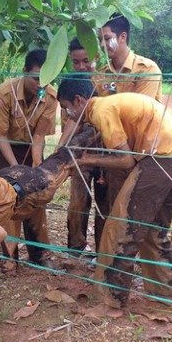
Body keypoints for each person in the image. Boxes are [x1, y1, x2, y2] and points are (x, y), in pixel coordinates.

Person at [57, 78, 172, 309]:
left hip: (158, 158)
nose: (68, 115)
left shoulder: (101, 110)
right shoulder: (107, 105)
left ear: (79, 101)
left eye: (67, 108)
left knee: (121, 226)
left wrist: (84, 159)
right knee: (153, 227)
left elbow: (126, 160)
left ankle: (112, 300)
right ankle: (164, 292)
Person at [0, 49, 59, 268]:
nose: (41, 84)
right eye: (36, 77)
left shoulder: (50, 96)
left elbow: (39, 135)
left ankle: (38, 254)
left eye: (46, 79)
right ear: (25, 72)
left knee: (37, 198)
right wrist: (15, 167)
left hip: (33, 147)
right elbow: (0, 134)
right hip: (8, 147)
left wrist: (36, 166)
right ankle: (10, 256)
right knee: (9, 199)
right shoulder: (5, 92)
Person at [64, 38, 110, 260]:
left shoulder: (108, 81)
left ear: (96, 56)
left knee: (105, 202)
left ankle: (103, 253)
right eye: (76, 62)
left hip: (109, 152)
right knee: (78, 201)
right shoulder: (71, 83)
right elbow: (71, 121)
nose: (81, 66)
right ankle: (75, 249)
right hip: (80, 152)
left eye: (86, 60)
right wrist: (62, 150)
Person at [98, 14, 162, 101]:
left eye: (107, 38)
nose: (102, 44)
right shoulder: (102, 74)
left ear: (123, 37)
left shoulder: (146, 70)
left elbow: (141, 110)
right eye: (100, 40)